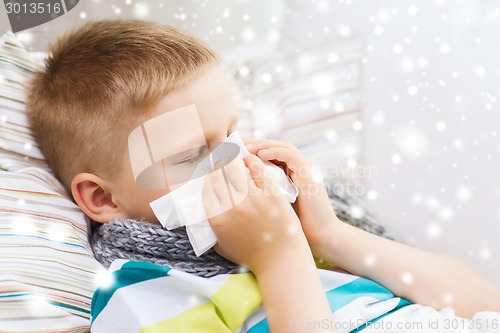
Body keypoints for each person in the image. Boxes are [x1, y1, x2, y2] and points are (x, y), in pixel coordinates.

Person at [27, 20, 500, 332]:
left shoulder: (293, 228)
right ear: (102, 198)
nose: (230, 160)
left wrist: (327, 233)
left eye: (232, 131)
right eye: (192, 153)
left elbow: (483, 305)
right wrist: (276, 260)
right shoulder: (142, 295)